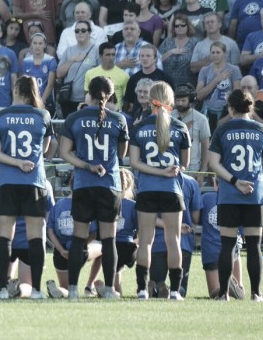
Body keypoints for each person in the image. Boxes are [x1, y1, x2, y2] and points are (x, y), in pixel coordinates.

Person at [59, 76, 129, 299]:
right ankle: (109, 290)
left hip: (83, 184)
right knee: (109, 239)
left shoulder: (74, 118)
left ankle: (72, 290)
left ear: (88, 93)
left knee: (79, 238)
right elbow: (122, 153)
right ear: (109, 95)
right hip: (109, 184)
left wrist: (87, 165)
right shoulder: (118, 119)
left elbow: (64, 153)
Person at [0, 76, 53, 300]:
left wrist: (14, 162)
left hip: (7, 181)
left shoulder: (0, 116)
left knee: (5, 235)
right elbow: (45, 149)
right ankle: (36, 290)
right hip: (34, 181)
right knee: (36, 235)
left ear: (16, 90)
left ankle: (2, 289)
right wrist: (25, 161)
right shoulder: (42, 115)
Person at [208, 88, 263, 302]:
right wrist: (247, 180)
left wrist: (235, 181)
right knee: (254, 245)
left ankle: (224, 294)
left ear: (230, 107)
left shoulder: (222, 130)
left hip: (229, 194)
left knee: (227, 244)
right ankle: (256, 294)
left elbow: (214, 163)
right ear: (251, 107)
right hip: (255, 194)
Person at [129, 81, 190, 300]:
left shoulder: (139, 126)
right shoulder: (180, 127)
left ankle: (142, 289)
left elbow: (134, 163)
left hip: (146, 189)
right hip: (172, 190)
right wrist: (166, 172)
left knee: (145, 240)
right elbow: (184, 164)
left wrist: (157, 172)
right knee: (173, 240)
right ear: (170, 101)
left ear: (150, 99)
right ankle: (175, 291)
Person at [45, 194, 102, 299]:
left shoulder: (58, 205)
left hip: (60, 253)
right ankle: (90, 286)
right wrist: (82, 245)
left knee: (66, 288)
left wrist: (61, 250)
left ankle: (59, 290)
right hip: (80, 250)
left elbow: (50, 231)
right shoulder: (86, 204)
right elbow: (93, 233)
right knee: (103, 249)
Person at [200, 178, 245, 299]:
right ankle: (234, 286)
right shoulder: (238, 200)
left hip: (211, 251)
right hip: (232, 250)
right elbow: (242, 231)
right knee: (240, 289)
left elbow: (196, 218)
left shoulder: (206, 198)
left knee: (214, 292)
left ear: (215, 185)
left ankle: (224, 289)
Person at [56, 20, 99, 117]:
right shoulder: (69, 50)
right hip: (69, 99)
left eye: (83, 30)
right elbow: (59, 73)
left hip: (89, 100)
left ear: (89, 33)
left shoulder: (96, 50)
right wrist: (72, 59)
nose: (80, 33)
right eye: (77, 31)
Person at [196, 41, 242, 130]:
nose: (215, 55)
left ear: (225, 54)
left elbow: (237, 94)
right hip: (208, 112)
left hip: (226, 111)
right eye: (213, 53)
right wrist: (217, 79)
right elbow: (198, 96)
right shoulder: (204, 70)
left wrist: (231, 114)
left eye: (218, 52)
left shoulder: (234, 69)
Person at [172, 83, 210, 185]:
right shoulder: (168, 117)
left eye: (183, 101)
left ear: (191, 101)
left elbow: (206, 147)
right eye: (177, 100)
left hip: (192, 170)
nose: (179, 103)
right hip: (171, 167)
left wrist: (202, 172)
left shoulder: (201, 119)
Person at [122, 43, 173, 114]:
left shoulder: (164, 78)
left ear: (155, 58)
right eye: (142, 56)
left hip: (158, 117)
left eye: (148, 56)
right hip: (137, 118)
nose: (144, 58)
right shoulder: (133, 78)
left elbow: (170, 103)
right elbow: (130, 103)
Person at [83, 42, 129, 110]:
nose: (111, 58)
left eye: (113, 55)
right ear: (100, 56)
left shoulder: (124, 75)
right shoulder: (90, 73)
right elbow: (87, 96)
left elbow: (126, 99)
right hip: (95, 112)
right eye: (108, 55)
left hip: (115, 112)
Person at [159, 13, 199, 87]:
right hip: (167, 82)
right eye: (176, 26)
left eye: (183, 25)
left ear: (188, 26)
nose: (180, 27)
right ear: (173, 28)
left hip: (188, 83)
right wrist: (171, 52)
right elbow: (157, 60)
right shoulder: (167, 41)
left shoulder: (195, 42)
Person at [21, 32, 57, 113]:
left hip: (47, 102)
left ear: (45, 45)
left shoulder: (50, 60)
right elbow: (24, 83)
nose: (37, 46)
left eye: (40, 43)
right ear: (31, 45)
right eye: (35, 43)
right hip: (30, 101)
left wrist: (41, 102)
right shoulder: (26, 61)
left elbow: (50, 85)